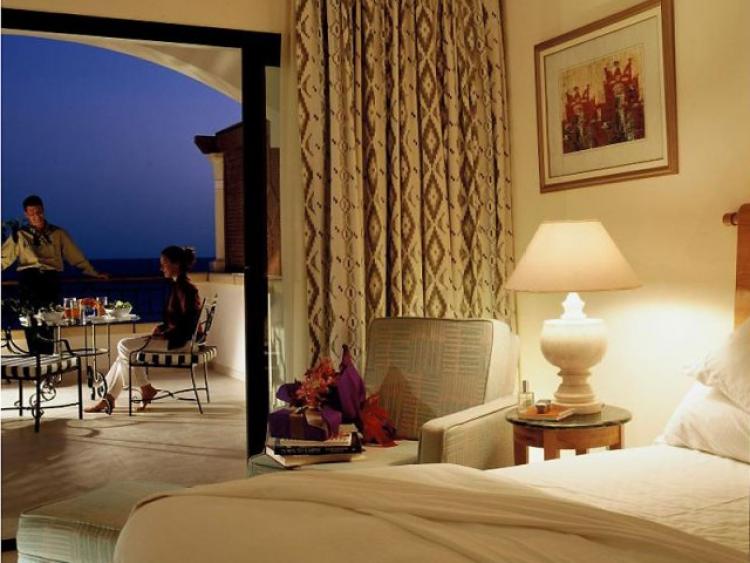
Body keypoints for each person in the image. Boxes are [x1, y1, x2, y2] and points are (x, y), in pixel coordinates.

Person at [85, 246, 202, 414]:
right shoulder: (180, 285)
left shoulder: (186, 289)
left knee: (124, 346)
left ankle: (143, 388)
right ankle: (110, 398)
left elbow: (189, 323)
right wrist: (161, 328)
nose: (161, 268)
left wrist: (164, 334)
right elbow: (179, 319)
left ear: (176, 264)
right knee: (124, 355)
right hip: (176, 338)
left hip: (180, 342)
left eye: (164, 263)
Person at [1, 194, 108, 351]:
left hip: (50, 281)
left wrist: (93, 273)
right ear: (26, 214)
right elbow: (3, 258)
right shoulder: (20, 235)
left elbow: (75, 256)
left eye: (39, 212)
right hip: (29, 281)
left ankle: (49, 362)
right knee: (31, 323)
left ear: (43, 210)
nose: (36, 216)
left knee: (50, 323)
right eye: (32, 213)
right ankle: (36, 361)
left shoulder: (58, 233)